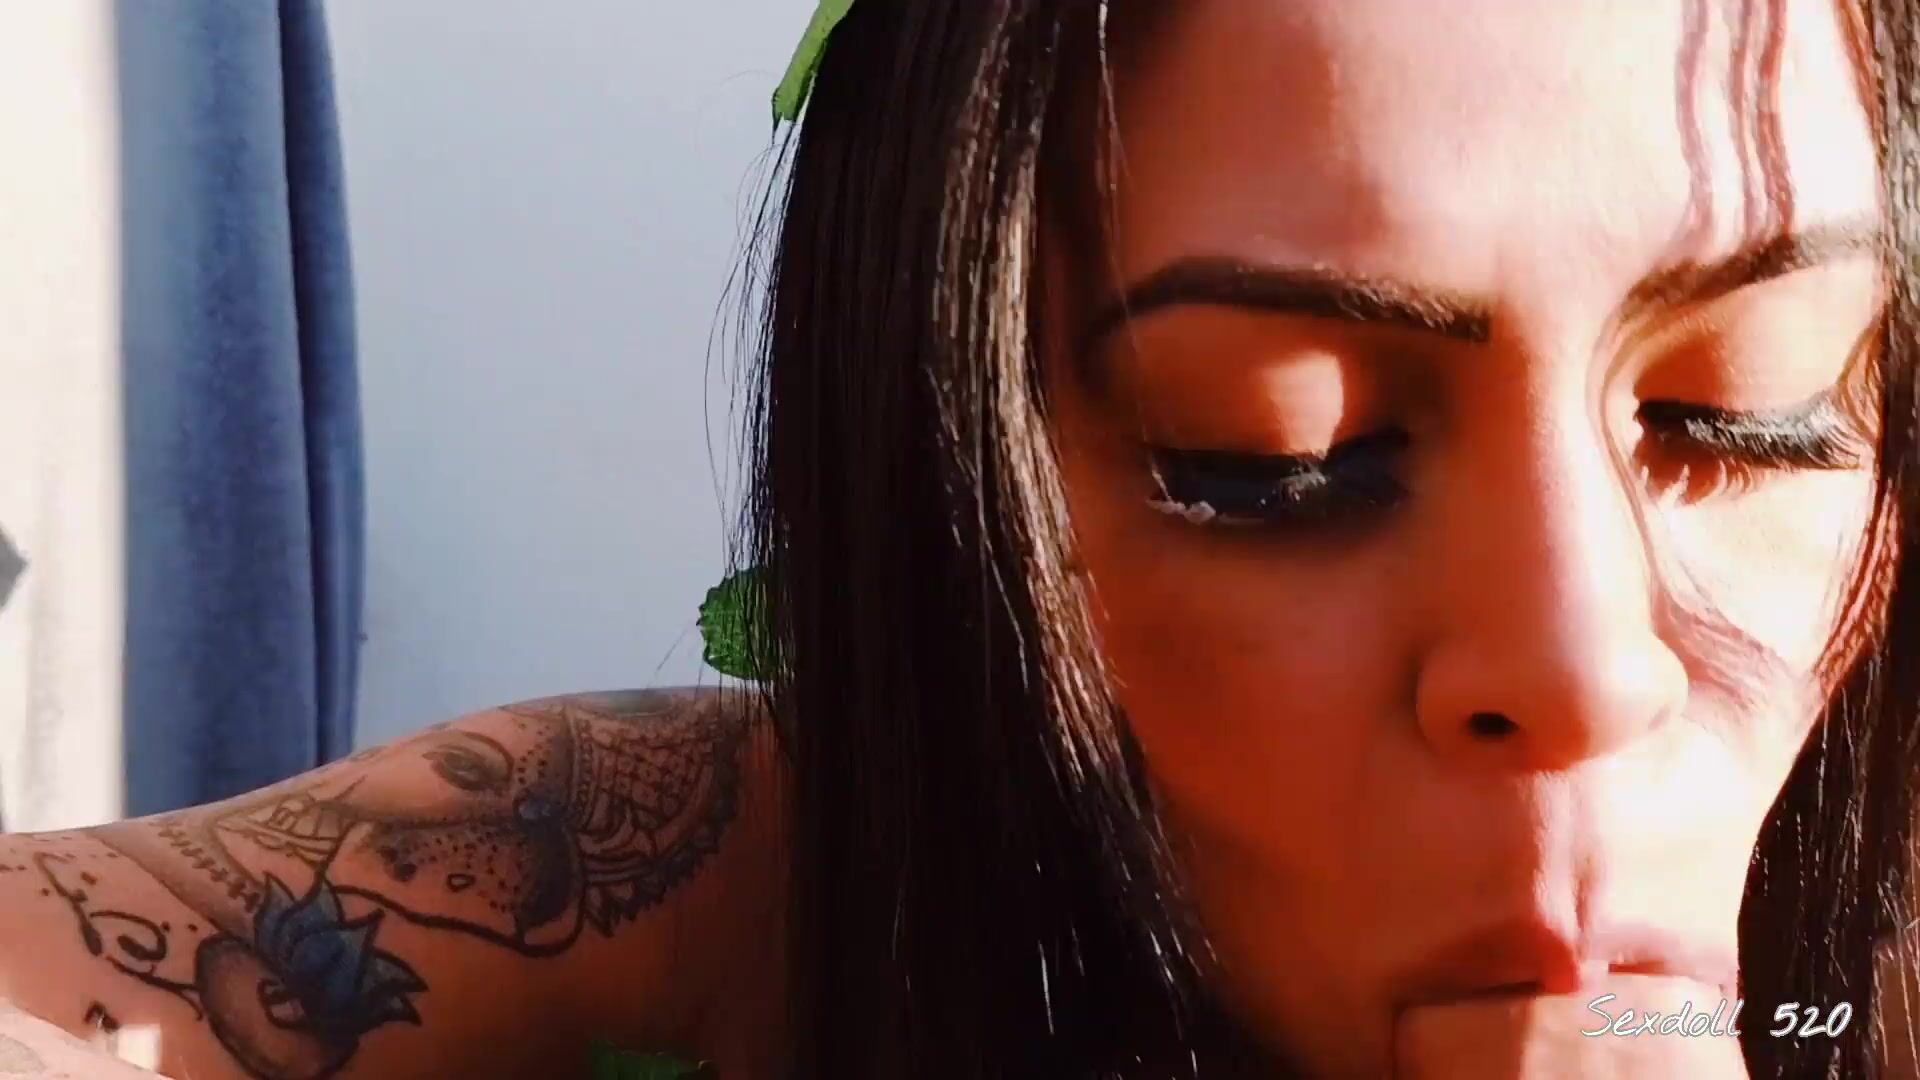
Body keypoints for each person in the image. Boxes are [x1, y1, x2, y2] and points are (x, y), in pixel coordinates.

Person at [0, 0, 1916, 1076]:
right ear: (962, 489)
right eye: (1274, 459)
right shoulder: (737, 861)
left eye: (1743, 416)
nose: (1585, 664)